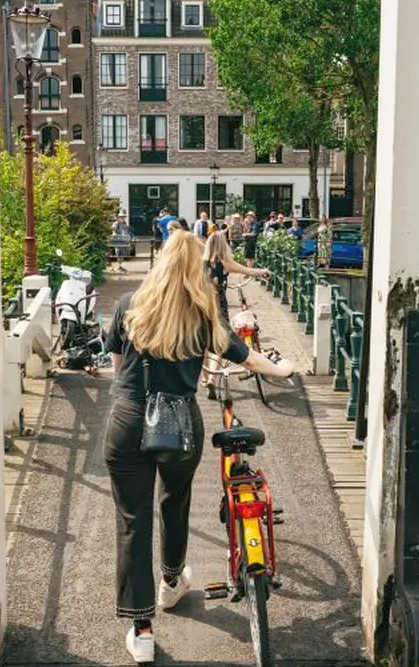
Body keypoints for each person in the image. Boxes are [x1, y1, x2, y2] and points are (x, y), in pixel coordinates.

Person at [103, 230, 294, 663]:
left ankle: (143, 630)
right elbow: (244, 356)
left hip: (130, 418)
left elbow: (118, 369)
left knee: (133, 519)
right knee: (176, 499)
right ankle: (172, 582)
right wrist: (282, 371)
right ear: (194, 267)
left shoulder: (128, 306)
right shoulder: (202, 313)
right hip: (179, 423)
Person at [201, 230, 271, 387]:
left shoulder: (201, 262)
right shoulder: (224, 261)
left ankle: (205, 379)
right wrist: (263, 272)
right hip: (218, 305)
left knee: (203, 343)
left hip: (201, 304)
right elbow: (247, 270)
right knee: (220, 340)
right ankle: (213, 379)